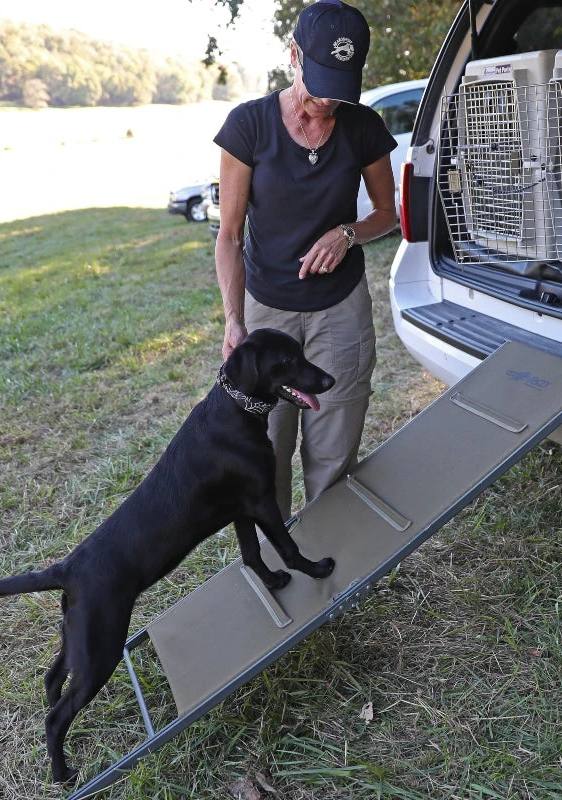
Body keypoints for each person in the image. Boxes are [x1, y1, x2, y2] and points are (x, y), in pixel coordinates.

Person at [214, 0, 399, 519]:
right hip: (266, 310)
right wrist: (234, 320)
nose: (329, 101)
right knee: (264, 445)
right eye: (321, 83)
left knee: (334, 451)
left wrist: (347, 233)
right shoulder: (247, 127)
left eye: (342, 87)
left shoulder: (363, 127)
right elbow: (229, 237)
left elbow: (387, 213)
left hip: (339, 309)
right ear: (294, 55)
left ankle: (331, 567)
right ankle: (276, 563)